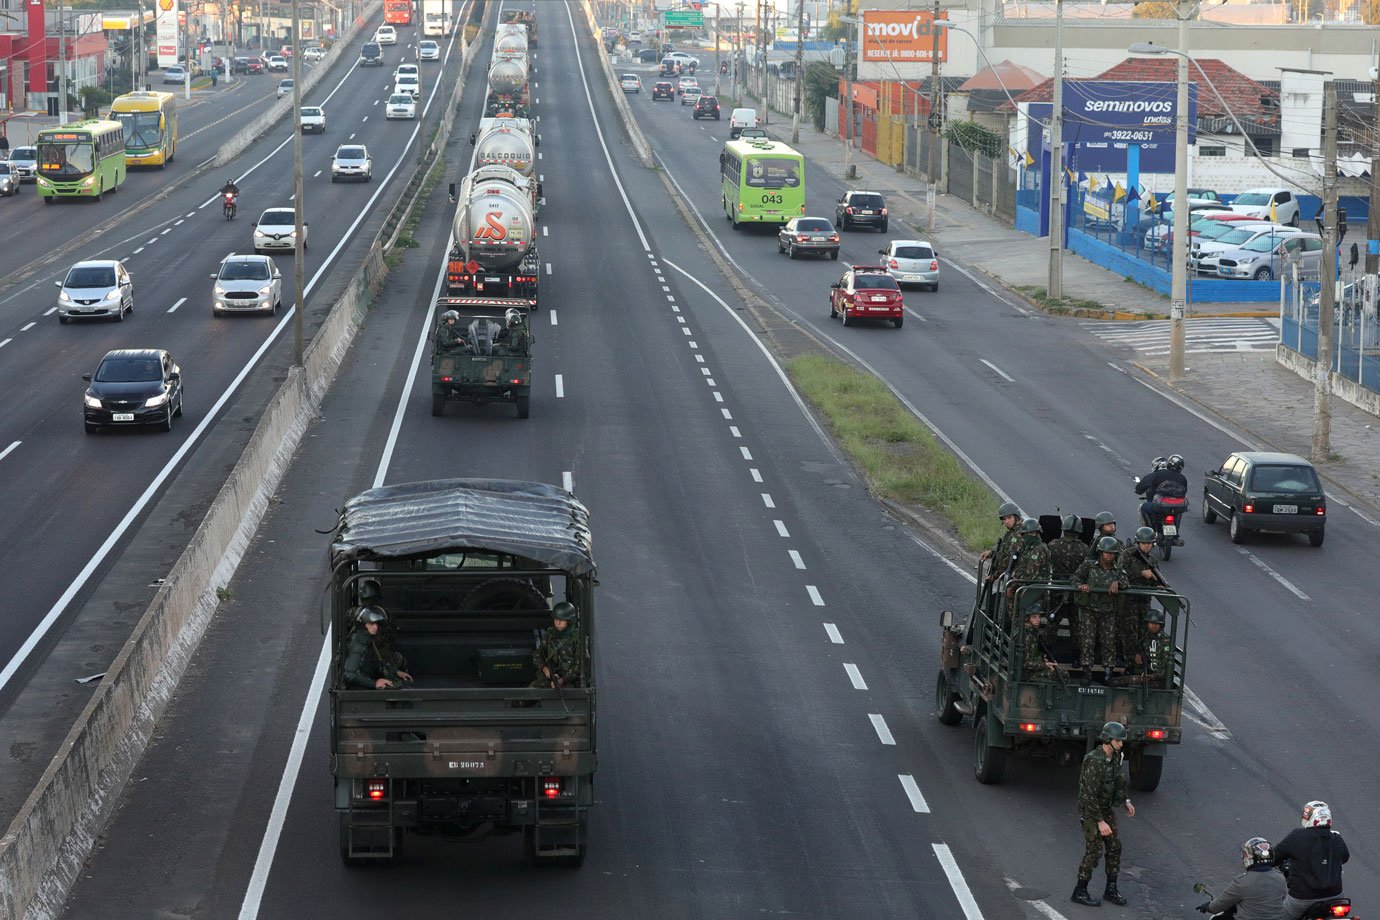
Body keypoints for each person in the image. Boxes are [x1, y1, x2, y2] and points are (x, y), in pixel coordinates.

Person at [1072, 721, 1136, 908]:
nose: (1121, 744)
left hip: (1105, 809)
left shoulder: (1115, 757)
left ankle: (1111, 889)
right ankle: (1080, 891)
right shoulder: (1094, 761)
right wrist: (1100, 821)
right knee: (1094, 851)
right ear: (1108, 740)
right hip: (1091, 812)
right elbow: (1088, 795)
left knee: (1115, 847)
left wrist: (1125, 800)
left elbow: (1117, 780)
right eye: (1118, 740)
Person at [1273, 801, 1348, 920]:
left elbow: (1274, 857)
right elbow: (1344, 858)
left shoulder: (1297, 836)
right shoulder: (1337, 838)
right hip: (1336, 896)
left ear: (1311, 818)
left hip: (1303, 898)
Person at [1197, 837, 1286, 920]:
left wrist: (1208, 907)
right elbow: (1283, 899)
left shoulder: (1242, 882)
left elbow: (1219, 905)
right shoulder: (1280, 878)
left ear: (1248, 857)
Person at [1073, 536, 1121, 685]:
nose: (1109, 555)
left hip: (1108, 612)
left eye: (1112, 553)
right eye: (1106, 552)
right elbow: (1075, 577)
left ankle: (1108, 674)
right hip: (1090, 610)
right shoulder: (1089, 566)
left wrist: (1117, 582)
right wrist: (1081, 585)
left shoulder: (1118, 569)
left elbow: (1126, 581)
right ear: (1100, 552)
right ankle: (1086, 672)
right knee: (1087, 642)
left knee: (1109, 643)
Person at [1116, 527, 1168, 665]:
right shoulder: (1127, 555)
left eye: (1149, 543)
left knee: (1144, 633)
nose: (1146, 545)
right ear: (1138, 543)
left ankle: (1142, 663)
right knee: (1128, 633)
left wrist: (1158, 585)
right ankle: (1128, 663)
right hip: (1127, 601)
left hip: (1144, 602)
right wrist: (1140, 573)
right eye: (1144, 543)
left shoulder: (1152, 560)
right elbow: (1119, 575)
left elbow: (1154, 581)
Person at [342, 607, 413, 690]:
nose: (375, 627)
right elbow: (349, 675)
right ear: (364, 624)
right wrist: (374, 683)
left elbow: (377, 663)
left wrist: (397, 672)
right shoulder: (359, 643)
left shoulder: (368, 640)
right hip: (360, 690)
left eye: (376, 624)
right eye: (371, 624)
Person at [531, 601, 582, 690]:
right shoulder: (550, 634)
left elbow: (578, 667)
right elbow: (538, 653)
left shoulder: (577, 638)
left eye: (561, 620)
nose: (557, 623)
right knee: (528, 693)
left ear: (569, 621)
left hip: (569, 682)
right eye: (556, 619)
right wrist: (545, 669)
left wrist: (562, 680)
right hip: (550, 679)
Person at [1005, 517, 1051, 615]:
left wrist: (1013, 587)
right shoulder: (1030, 548)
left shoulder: (1037, 550)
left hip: (1034, 592)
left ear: (1034, 533)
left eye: (1026, 534)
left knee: (1022, 618)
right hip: (1028, 589)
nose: (1024, 537)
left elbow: (1030, 575)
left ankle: (1018, 627)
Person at [1136, 454, 1189, 531]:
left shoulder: (1157, 474)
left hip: (1160, 506)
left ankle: (1149, 532)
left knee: (1142, 508)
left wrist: (1138, 490)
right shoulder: (1183, 478)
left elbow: (1140, 487)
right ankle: (1176, 532)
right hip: (1177, 507)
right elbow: (1184, 493)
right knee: (1179, 511)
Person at [1131, 608, 1173, 688]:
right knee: (1117, 681)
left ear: (1161, 625)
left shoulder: (1165, 641)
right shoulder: (1145, 638)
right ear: (1147, 624)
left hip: (1158, 679)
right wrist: (1138, 654)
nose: (1154, 626)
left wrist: (1151, 676)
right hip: (1145, 674)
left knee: (1132, 684)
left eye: (1157, 624)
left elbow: (1164, 668)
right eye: (1152, 623)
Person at [1020, 606, 1058, 683]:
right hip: (1027, 673)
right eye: (1034, 617)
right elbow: (1025, 663)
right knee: (1059, 675)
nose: (1038, 620)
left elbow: (1033, 654)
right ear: (1027, 618)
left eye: (1039, 617)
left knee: (1060, 673)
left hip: (1034, 669)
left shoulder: (1032, 632)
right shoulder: (1024, 635)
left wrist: (1042, 657)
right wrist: (1045, 664)